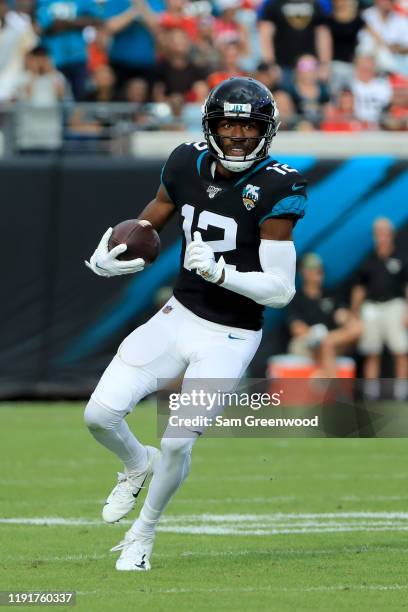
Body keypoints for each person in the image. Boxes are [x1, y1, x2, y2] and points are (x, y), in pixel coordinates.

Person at [84, 76, 307, 571]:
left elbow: (282, 289)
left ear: (267, 132)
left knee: (179, 439)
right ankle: (135, 463)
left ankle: (143, 535)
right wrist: (117, 252)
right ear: (210, 125)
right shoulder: (185, 160)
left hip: (231, 335)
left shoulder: (278, 185)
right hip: (178, 315)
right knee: (98, 417)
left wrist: (221, 271)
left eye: (250, 127)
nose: (239, 136)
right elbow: (152, 219)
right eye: (228, 124)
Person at [351, 217, 408, 400]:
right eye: (378, 233)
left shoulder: (401, 258)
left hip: (395, 305)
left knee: (400, 349)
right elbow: (359, 288)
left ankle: (401, 392)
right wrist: (354, 313)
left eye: (385, 232)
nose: (382, 236)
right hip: (372, 308)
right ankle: (371, 393)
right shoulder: (368, 260)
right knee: (371, 350)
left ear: (391, 234)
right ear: (374, 236)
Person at [287, 253, 362, 377]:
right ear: (303, 272)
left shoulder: (330, 294)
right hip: (309, 343)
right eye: (312, 269)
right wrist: (315, 335)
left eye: (319, 269)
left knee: (356, 327)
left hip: (331, 341)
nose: (317, 272)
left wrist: (345, 317)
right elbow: (296, 328)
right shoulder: (296, 298)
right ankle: (332, 387)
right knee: (324, 345)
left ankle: (325, 377)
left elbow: (344, 316)